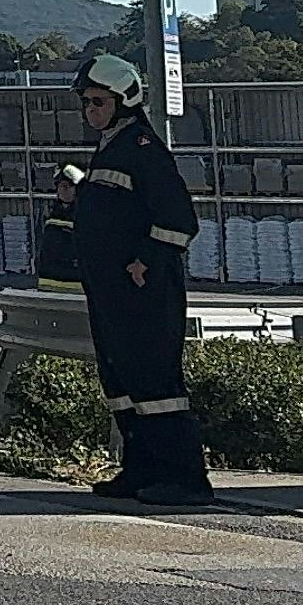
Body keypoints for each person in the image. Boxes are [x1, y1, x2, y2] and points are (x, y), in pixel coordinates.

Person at [72, 53, 213, 507]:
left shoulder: (143, 149)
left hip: (143, 290)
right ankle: (141, 470)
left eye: (98, 101)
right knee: (121, 381)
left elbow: (179, 220)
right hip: (110, 290)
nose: (90, 110)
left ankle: (185, 480)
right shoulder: (111, 147)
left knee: (155, 384)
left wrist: (145, 262)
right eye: (86, 102)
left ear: (124, 101)